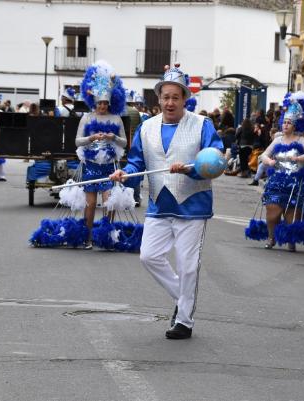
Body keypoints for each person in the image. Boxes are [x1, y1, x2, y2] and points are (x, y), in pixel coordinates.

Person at [110, 64, 223, 340]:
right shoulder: (146, 128)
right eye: (165, 97)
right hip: (159, 204)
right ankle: (183, 297)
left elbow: (217, 159)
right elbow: (138, 161)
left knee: (187, 265)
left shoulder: (202, 125)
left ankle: (184, 320)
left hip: (192, 205)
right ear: (158, 99)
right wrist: (126, 175)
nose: (170, 102)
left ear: (185, 98)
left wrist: (190, 168)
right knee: (148, 256)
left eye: (176, 97)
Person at [76, 61, 127, 249]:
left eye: (106, 102)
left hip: (108, 167)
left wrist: (113, 137)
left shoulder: (116, 118)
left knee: (109, 203)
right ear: (94, 102)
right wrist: (91, 138)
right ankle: (87, 237)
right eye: (100, 102)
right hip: (90, 166)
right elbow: (77, 141)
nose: (103, 106)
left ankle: (105, 237)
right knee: (89, 205)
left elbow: (124, 143)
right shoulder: (87, 117)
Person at [260, 92, 304, 251]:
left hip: (296, 184)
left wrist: (301, 158)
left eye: (289, 123)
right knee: (272, 213)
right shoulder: (277, 140)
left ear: (295, 125)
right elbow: (263, 154)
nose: (285, 125)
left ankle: (290, 239)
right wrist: (269, 161)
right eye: (284, 122)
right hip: (277, 181)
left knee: (292, 218)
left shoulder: (302, 140)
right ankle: (271, 237)